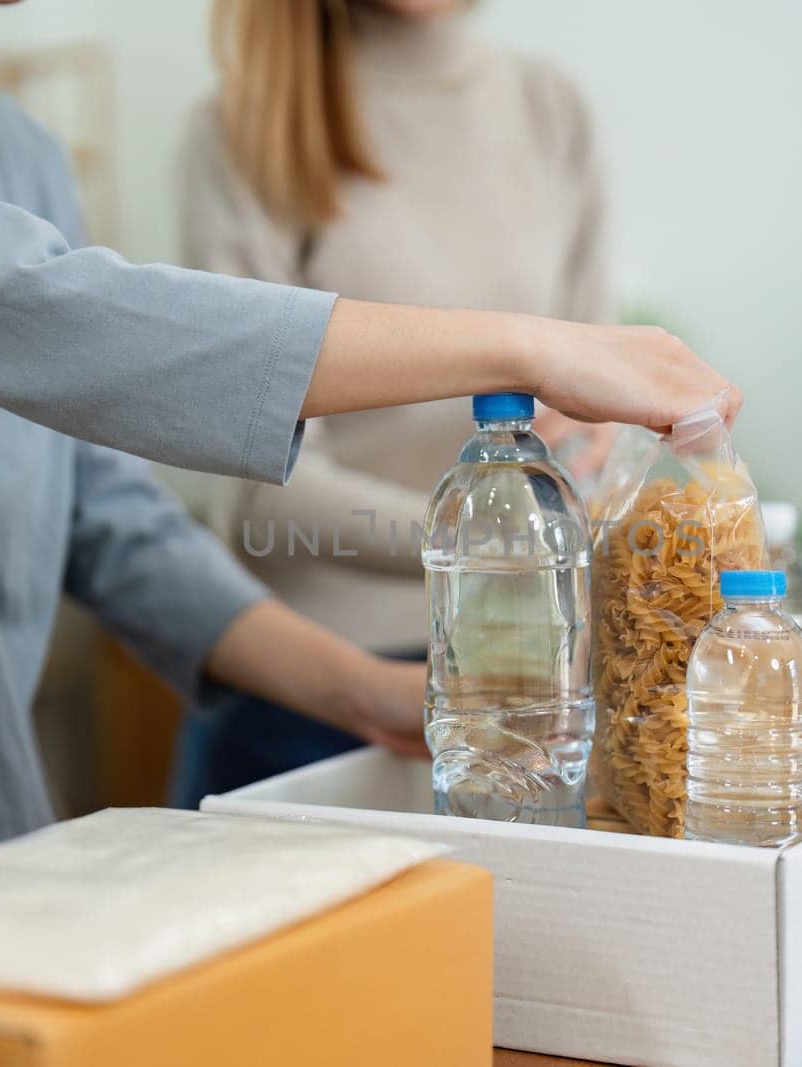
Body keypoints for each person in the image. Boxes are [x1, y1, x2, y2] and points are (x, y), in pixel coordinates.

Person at [0, 0, 738, 943]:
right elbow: (48, 313)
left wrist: (361, 691)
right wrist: (523, 345)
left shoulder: (23, 154)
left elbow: (106, 516)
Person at [160, 0, 618, 802]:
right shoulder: (245, 130)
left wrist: (590, 445)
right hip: (314, 698)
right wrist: (491, 544)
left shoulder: (551, 108)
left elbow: (589, 390)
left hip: (529, 681)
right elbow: (257, 482)